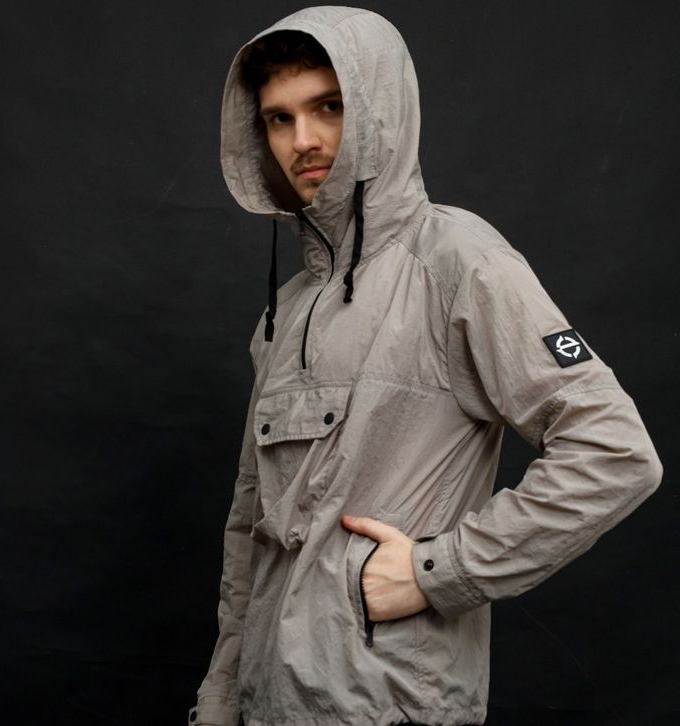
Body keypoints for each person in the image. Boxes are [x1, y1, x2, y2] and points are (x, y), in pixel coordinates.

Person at [191, 7, 662, 726]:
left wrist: (436, 572)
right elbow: (249, 527)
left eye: (328, 107)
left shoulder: (458, 261)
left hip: (391, 704)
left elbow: (615, 453)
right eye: (279, 119)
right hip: (269, 703)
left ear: (379, 109)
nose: (303, 139)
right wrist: (222, 697)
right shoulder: (284, 312)